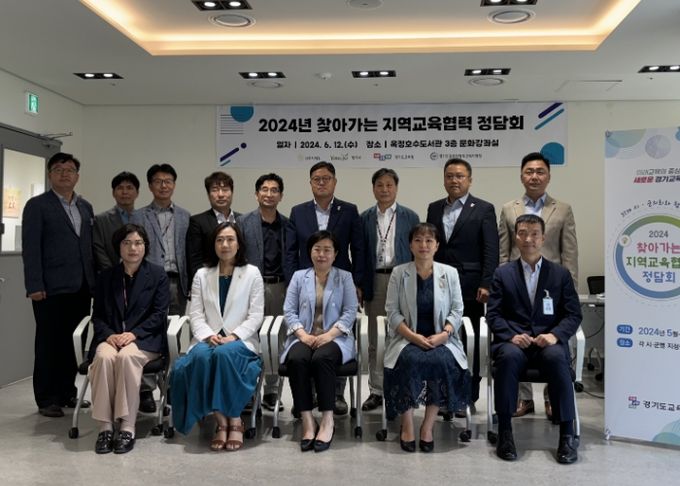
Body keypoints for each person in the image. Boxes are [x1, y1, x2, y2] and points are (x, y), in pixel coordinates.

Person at [486, 214, 582, 464]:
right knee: (507, 359)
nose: (528, 239)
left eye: (534, 234)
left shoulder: (560, 274)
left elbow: (573, 314)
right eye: (523, 233)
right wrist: (511, 335)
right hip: (514, 342)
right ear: (516, 237)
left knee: (558, 359)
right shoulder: (502, 273)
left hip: (547, 342)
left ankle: (567, 434)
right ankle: (505, 432)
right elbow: (493, 314)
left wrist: (555, 335)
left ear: (543, 238)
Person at [498, 152, 578, 420]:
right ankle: (523, 398)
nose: (534, 176)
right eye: (529, 171)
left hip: (551, 288)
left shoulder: (563, 209)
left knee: (552, 344)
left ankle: (551, 398)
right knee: (518, 339)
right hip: (517, 285)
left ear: (548, 176)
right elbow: (504, 251)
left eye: (540, 171)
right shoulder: (508, 208)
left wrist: (570, 289)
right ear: (521, 176)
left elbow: (569, 252)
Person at [169, 222, 264, 451]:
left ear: (239, 244)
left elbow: (256, 315)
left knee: (223, 354)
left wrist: (234, 336)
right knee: (200, 358)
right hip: (207, 339)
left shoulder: (252, 273)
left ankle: (235, 420)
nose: (225, 245)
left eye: (230, 239)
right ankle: (221, 422)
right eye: (220, 240)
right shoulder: (202, 275)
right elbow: (195, 314)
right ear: (213, 245)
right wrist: (208, 335)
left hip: (240, 341)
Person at [285, 161, 364, 415]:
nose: (321, 183)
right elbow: (290, 251)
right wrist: (292, 282)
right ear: (310, 183)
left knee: (335, 338)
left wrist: (357, 282)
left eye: (326, 178)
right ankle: (307, 396)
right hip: (307, 281)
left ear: (334, 182)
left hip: (341, 283)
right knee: (305, 343)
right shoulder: (298, 212)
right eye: (316, 179)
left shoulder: (349, 210)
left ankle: (336, 394)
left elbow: (358, 248)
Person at [383, 223, 470, 453]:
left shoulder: (449, 273)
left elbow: (457, 310)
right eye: (418, 240)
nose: (424, 245)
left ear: (437, 245)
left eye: (429, 240)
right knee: (409, 360)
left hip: (441, 339)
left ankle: (428, 426)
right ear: (410, 245)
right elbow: (392, 312)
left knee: (441, 361)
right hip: (406, 338)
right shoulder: (399, 273)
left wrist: (444, 334)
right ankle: (407, 424)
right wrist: (413, 337)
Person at [22, 152, 96, 417]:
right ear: (50, 175)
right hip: (50, 289)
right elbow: (31, 248)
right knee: (49, 343)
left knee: (74, 342)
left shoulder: (85, 207)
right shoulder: (37, 205)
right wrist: (34, 284)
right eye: (58, 170)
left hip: (81, 286)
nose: (65, 174)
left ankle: (67, 392)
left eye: (70, 170)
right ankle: (46, 398)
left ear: (77, 175)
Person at [88, 224, 169, 454]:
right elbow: (98, 316)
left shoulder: (157, 275)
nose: (133, 248)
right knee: (103, 358)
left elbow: (159, 314)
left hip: (145, 339)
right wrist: (110, 335)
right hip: (112, 338)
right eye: (127, 243)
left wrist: (134, 334)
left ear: (145, 247)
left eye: (138, 243)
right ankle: (105, 427)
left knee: (127, 357)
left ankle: (127, 426)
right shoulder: (106, 277)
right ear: (118, 247)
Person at [426, 158, 498, 412]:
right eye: (449, 176)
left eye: (459, 176)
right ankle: (443, 394)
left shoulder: (484, 209)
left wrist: (486, 282)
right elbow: (430, 246)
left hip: (471, 286)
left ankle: (468, 396)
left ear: (469, 179)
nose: (454, 181)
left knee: (470, 340)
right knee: (442, 338)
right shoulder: (434, 208)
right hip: (439, 285)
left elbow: (491, 250)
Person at [281, 231, 359, 453]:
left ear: (335, 254)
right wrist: (302, 335)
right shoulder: (299, 277)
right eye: (317, 249)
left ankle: (327, 420)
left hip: (335, 337)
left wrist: (329, 335)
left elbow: (350, 311)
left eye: (327, 250)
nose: (322, 254)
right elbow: (289, 310)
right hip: (304, 335)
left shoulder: (345, 277)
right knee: (297, 359)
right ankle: (307, 420)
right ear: (310, 252)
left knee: (322, 358)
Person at [131, 163, 190, 413]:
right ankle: (146, 389)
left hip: (177, 282)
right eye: (158, 181)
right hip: (149, 283)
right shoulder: (138, 216)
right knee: (148, 333)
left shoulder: (185, 216)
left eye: (168, 181)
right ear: (150, 186)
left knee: (174, 335)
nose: (163, 186)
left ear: (174, 185)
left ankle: (172, 385)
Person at [359, 168, 419, 412]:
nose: (384, 189)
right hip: (375, 279)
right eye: (380, 185)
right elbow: (359, 253)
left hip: (402, 279)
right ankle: (376, 390)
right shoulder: (364, 217)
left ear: (396, 188)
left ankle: (402, 387)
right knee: (375, 338)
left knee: (403, 335)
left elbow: (418, 251)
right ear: (373, 188)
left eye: (389, 185)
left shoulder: (410, 216)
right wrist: (360, 283)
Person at [236, 173, 288, 412]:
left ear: (281, 196)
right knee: (249, 339)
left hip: (279, 286)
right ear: (256, 194)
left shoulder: (288, 224)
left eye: (274, 190)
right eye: (264, 189)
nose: (269, 194)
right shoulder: (243, 222)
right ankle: (248, 390)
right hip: (250, 288)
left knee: (276, 339)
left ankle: (271, 391)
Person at [187, 171, 241, 283]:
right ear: (208, 195)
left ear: (232, 192)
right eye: (215, 190)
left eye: (225, 189)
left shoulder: (242, 220)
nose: (220, 194)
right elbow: (195, 260)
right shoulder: (197, 222)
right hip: (210, 282)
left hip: (239, 281)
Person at [93, 171, 140, 271]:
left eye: (129, 188)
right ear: (113, 193)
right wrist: (113, 274)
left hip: (141, 275)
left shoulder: (144, 218)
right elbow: (98, 250)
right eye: (120, 188)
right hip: (111, 274)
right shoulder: (101, 220)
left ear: (137, 193)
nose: (125, 192)